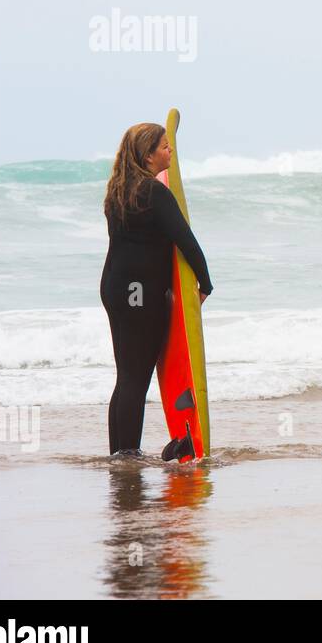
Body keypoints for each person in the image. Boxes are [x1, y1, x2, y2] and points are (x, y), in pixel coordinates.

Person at [101, 123, 212, 455]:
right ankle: (128, 455)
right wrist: (205, 283)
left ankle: (119, 453)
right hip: (139, 293)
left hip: (115, 287)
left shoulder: (118, 191)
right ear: (148, 156)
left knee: (126, 376)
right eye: (165, 146)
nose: (170, 151)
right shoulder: (154, 192)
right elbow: (186, 240)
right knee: (136, 377)